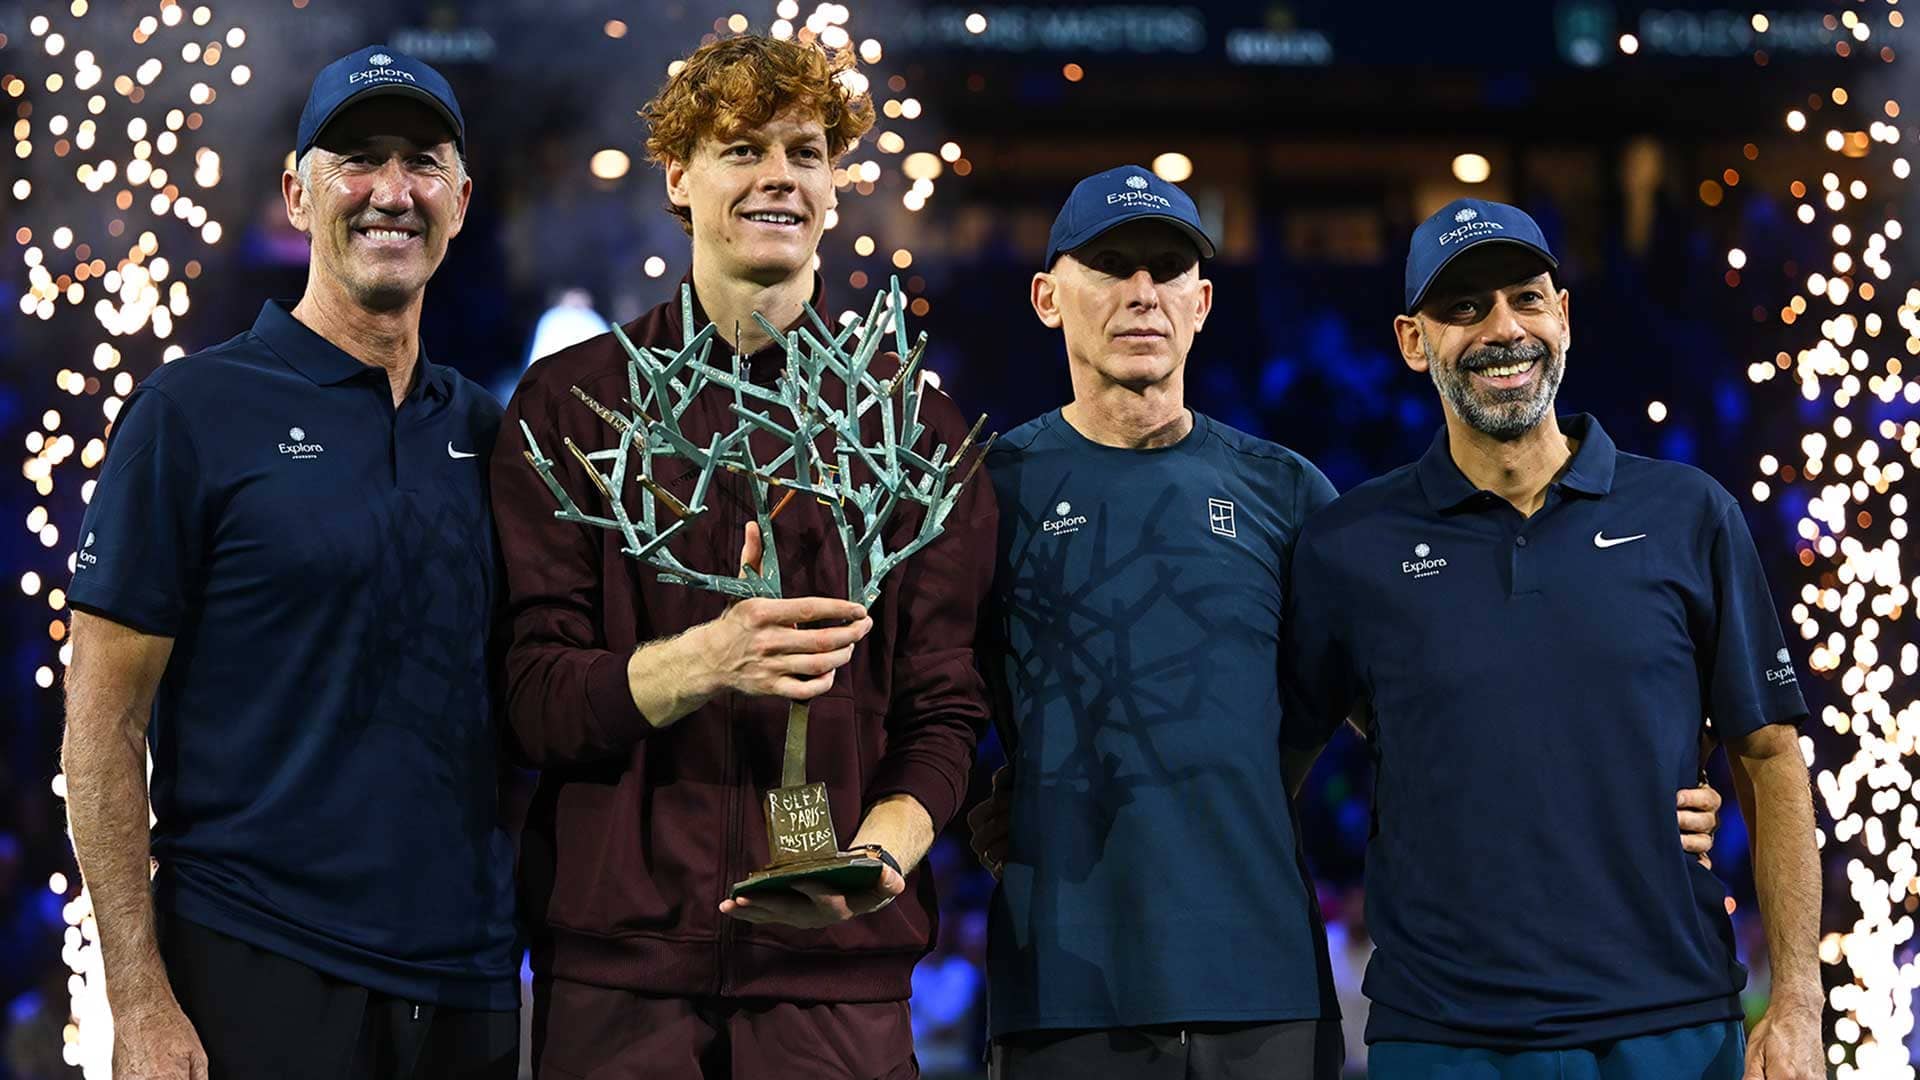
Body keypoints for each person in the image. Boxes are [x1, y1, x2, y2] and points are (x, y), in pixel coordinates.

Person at [967, 170, 1726, 1080]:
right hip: (1063, 989)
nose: (1142, 293)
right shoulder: (985, 492)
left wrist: (1633, 794)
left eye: (1167, 269)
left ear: (1202, 303)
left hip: (1266, 987)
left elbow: (1422, 706)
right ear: (1048, 297)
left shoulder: (1289, 495)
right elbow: (929, 693)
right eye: (1110, 265)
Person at [490, 34, 994, 1079]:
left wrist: (879, 855)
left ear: (835, 187)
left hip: (835, 981)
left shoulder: (916, 432)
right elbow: (533, 696)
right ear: (678, 178)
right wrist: (706, 659)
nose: (779, 176)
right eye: (740, 149)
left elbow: (944, 711)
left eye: (805, 152)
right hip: (620, 978)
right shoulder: (571, 407)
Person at [1284, 197, 1822, 1079]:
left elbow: (1770, 755)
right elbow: (1274, 764)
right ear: (1412, 342)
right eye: (1463, 309)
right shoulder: (1350, 546)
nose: (1504, 329)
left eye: (1526, 299)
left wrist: (1799, 1000)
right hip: (1443, 1038)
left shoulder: (1688, 513)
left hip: (1672, 1026)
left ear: (1563, 316)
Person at [61, 45, 519, 1079]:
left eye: (424, 163)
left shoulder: (493, 436)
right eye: (358, 159)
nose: (392, 192)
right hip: (254, 968)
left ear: (460, 199)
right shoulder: (192, 412)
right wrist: (136, 1001)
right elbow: (101, 724)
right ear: (295, 192)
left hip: (469, 981)